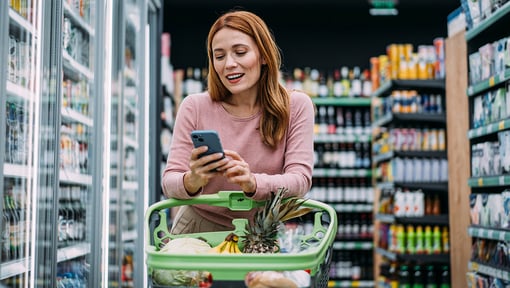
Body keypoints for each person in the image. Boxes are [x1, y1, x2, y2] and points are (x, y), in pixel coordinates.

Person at [161, 9, 315, 234]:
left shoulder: (296, 106)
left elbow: (300, 181)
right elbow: (169, 182)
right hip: (196, 231)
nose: (229, 64)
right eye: (219, 56)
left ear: (263, 55)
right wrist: (192, 180)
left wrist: (253, 182)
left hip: (261, 235)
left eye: (240, 52)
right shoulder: (194, 106)